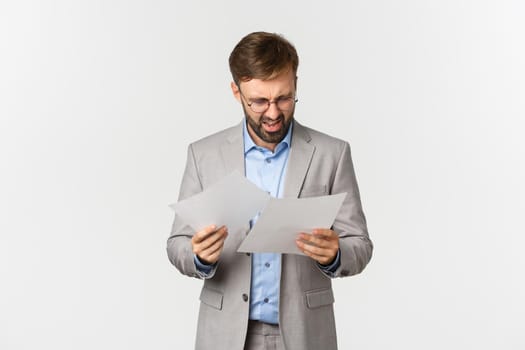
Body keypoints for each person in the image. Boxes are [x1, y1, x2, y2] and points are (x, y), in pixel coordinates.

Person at [167, 31, 373, 350]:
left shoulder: (332, 154)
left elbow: (360, 244)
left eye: (284, 98)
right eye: (260, 101)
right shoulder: (203, 154)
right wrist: (197, 256)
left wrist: (335, 254)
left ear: (296, 85)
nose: (274, 113)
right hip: (225, 334)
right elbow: (177, 243)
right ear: (237, 92)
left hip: (305, 333)